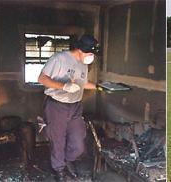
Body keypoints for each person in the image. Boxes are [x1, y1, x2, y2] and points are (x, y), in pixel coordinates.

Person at [38, 34, 99, 181]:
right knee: (58, 140)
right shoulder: (59, 59)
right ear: (80, 49)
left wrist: (100, 87)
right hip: (57, 105)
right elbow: (42, 79)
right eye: (89, 53)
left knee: (78, 143)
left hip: (75, 106)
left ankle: (66, 160)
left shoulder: (83, 63)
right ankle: (59, 170)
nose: (91, 56)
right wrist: (64, 86)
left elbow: (82, 83)